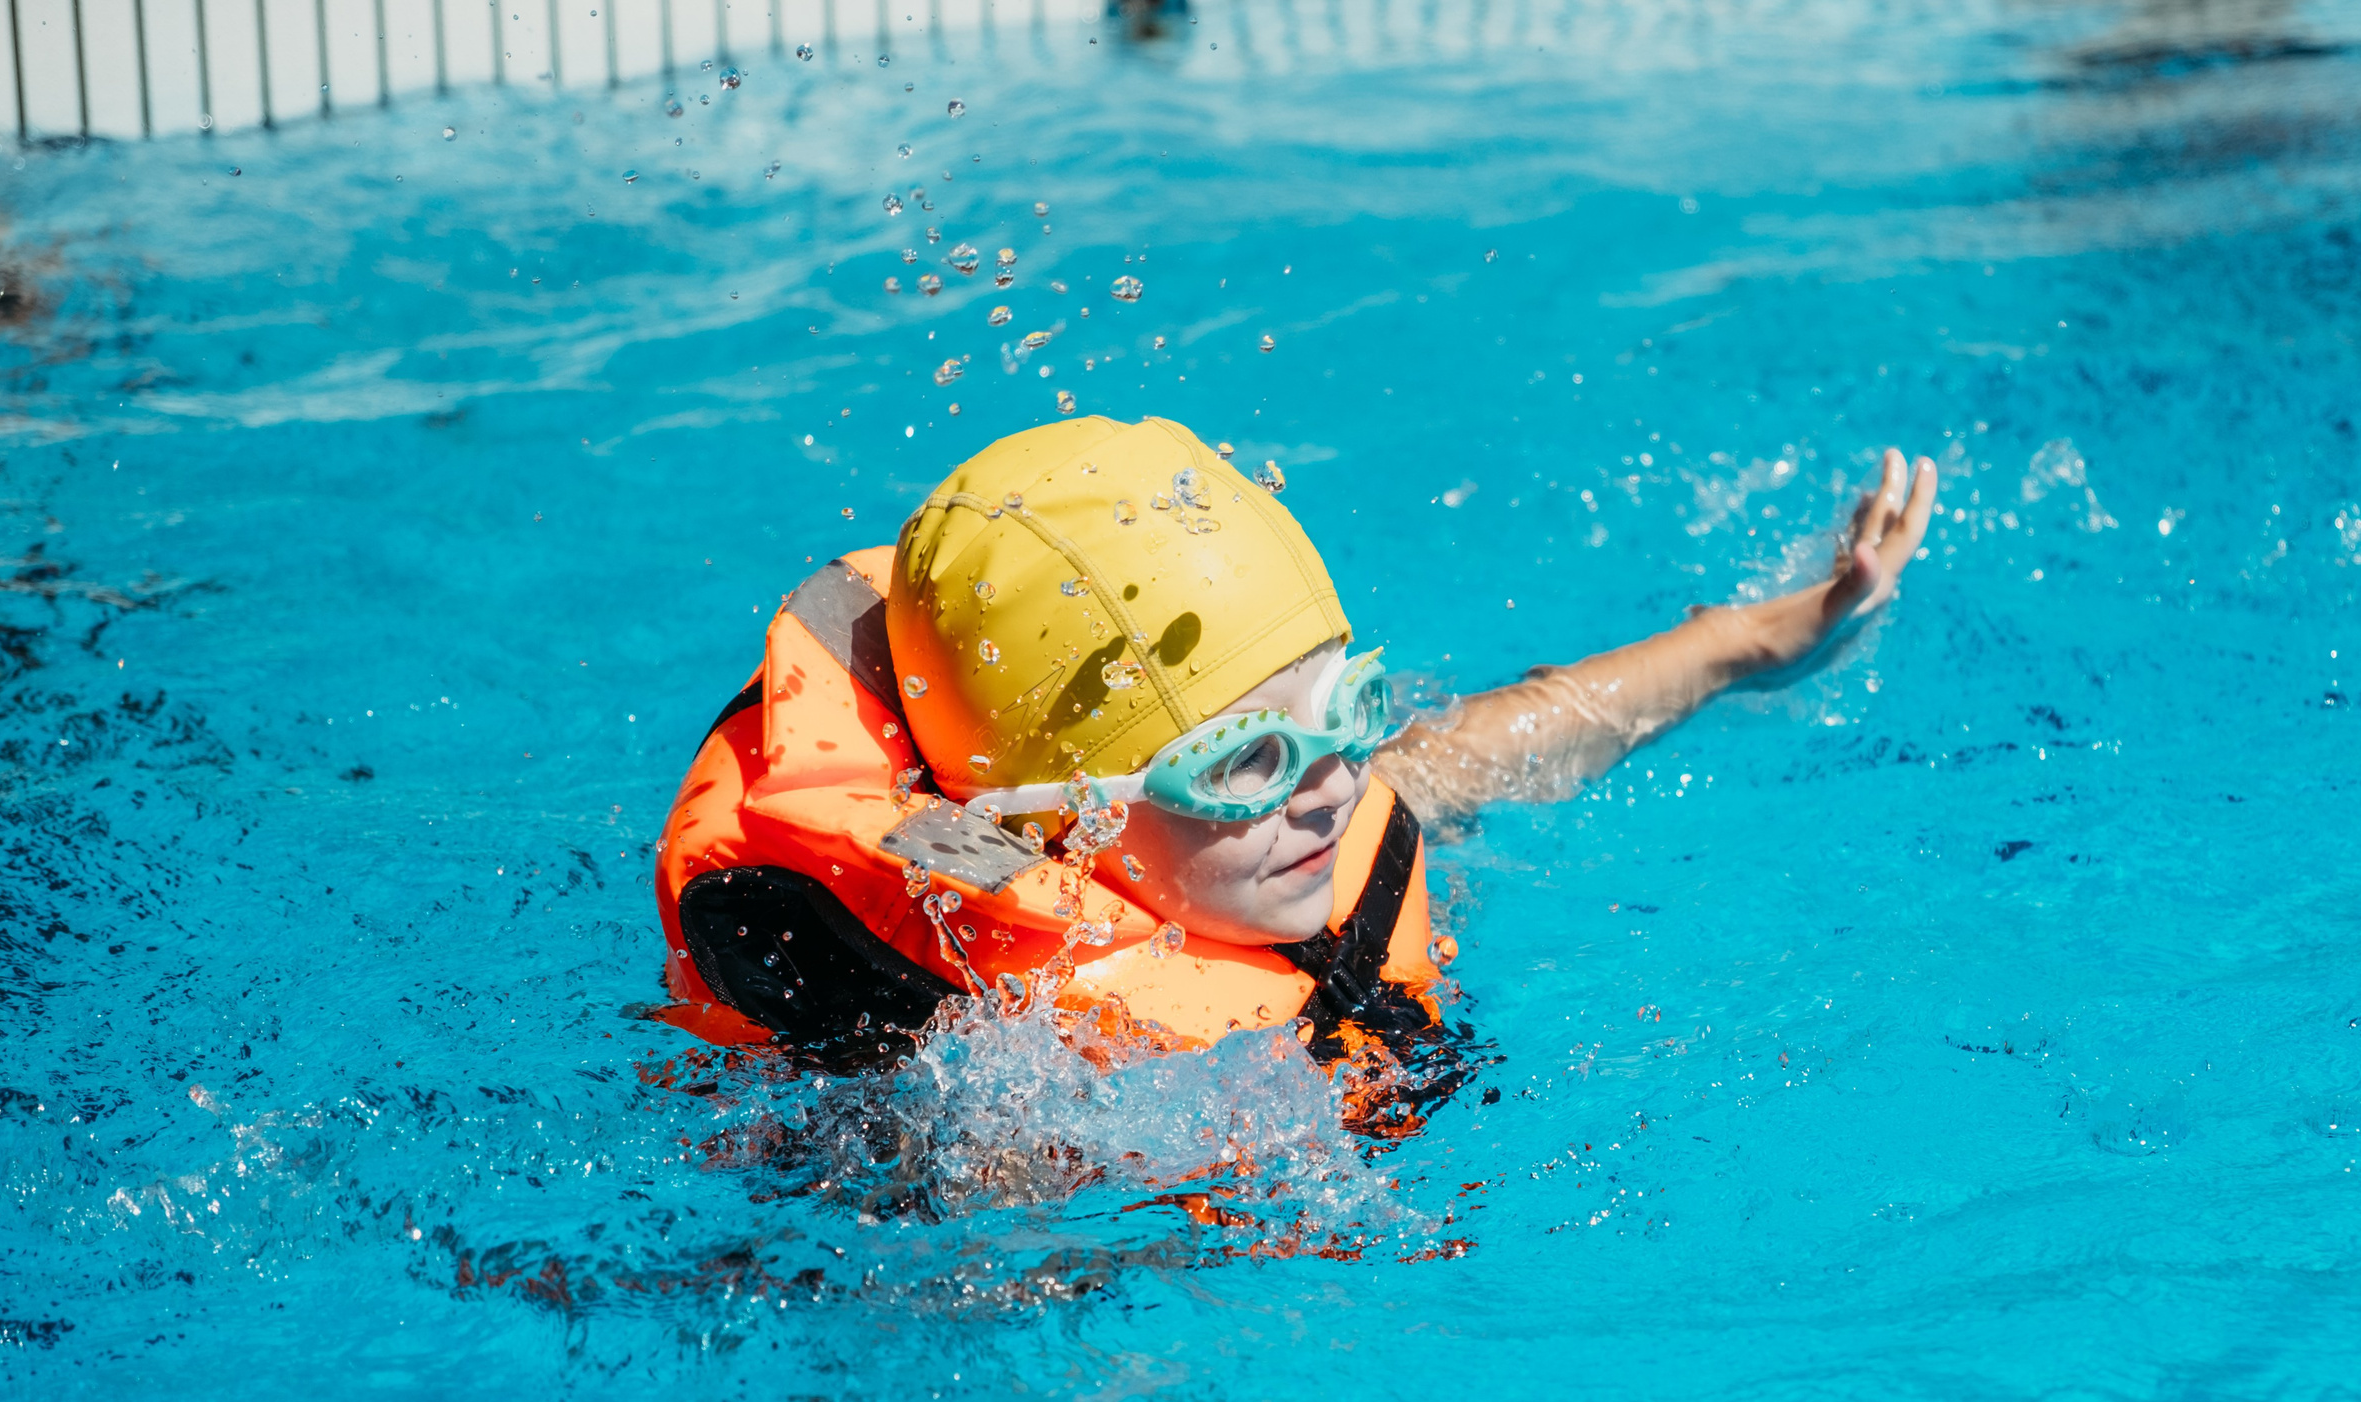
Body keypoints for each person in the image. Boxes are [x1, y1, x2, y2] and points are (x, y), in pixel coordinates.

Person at [654, 414, 1935, 1067]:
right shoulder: (968, 1056)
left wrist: (1760, 636)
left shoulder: (1323, 807)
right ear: (1051, 817)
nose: (1330, 787)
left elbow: (1498, 745)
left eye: (1346, 713)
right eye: (1249, 761)